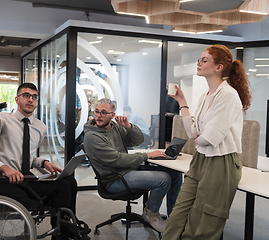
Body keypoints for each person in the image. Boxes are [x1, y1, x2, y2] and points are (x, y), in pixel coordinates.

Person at [162, 45, 252, 240]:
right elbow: (194, 132)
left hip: (221, 163)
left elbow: (210, 138)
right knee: (178, 214)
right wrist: (182, 102)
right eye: (199, 60)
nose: (199, 63)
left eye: (204, 60)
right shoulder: (205, 96)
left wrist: (199, 139)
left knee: (202, 222)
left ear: (218, 67)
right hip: (201, 159)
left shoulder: (228, 95)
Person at [0, 82, 90, 239]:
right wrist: (5, 169)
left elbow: (25, 156)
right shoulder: (0, 120)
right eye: (26, 95)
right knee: (63, 188)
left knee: (69, 180)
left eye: (34, 97)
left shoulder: (40, 127)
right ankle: (64, 232)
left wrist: (42, 163)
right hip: (4, 180)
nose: (30, 100)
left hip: (25, 177)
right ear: (17, 99)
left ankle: (68, 225)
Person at [83, 98, 182, 233]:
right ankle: (151, 213)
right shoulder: (91, 136)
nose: (99, 116)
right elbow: (118, 160)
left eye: (103, 112)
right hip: (115, 179)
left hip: (128, 170)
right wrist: (147, 155)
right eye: (97, 112)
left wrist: (129, 127)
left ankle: (174, 219)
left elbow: (138, 140)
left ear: (113, 115)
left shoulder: (115, 127)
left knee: (175, 174)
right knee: (163, 179)